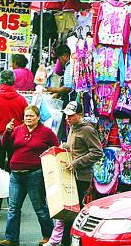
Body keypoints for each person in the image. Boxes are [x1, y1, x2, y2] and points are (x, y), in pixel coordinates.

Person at [47, 101, 103, 246]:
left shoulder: (87, 130)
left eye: (71, 116)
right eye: (66, 115)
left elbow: (97, 152)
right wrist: (64, 147)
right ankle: (66, 241)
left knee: (71, 213)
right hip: (71, 175)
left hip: (81, 176)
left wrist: (77, 163)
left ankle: (69, 241)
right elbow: (76, 148)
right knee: (68, 211)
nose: (67, 118)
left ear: (79, 115)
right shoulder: (73, 127)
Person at [0, 106, 58, 246]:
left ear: (38, 117)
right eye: (26, 116)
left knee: (40, 208)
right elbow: (5, 144)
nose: (28, 118)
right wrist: (7, 131)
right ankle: (11, 238)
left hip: (35, 175)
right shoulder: (18, 130)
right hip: (16, 175)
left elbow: (55, 148)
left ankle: (49, 237)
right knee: (13, 208)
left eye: (31, 116)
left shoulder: (46, 132)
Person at [0, 70, 28, 215]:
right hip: (15, 138)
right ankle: (13, 203)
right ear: (13, 81)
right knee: (14, 171)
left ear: (0, 81)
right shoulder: (21, 100)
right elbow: (26, 120)